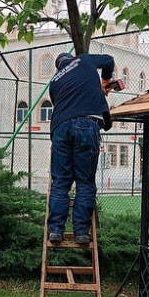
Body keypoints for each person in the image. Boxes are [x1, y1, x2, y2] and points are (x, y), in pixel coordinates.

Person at [47, 52, 114, 244]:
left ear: (58, 66)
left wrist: (96, 90)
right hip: (85, 125)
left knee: (61, 182)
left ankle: (56, 231)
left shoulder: (54, 82)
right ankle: (82, 233)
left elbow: (67, 103)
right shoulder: (83, 60)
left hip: (60, 128)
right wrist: (104, 81)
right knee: (84, 181)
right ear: (71, 58)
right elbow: (109, 61)